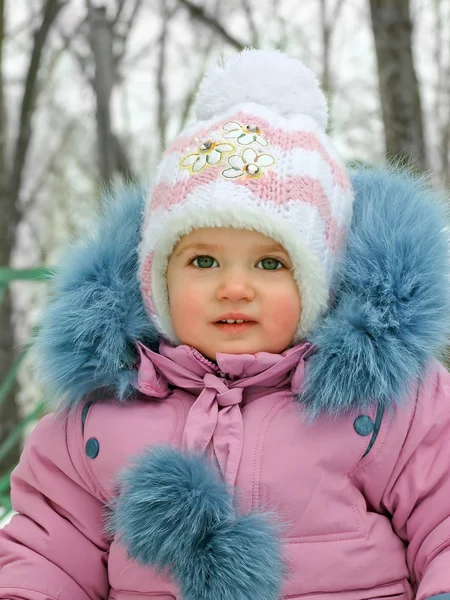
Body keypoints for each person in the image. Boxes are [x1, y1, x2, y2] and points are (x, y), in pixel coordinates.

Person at [0, 48, 450, 600]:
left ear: (321, 285)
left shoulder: (388, 403)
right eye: (203, 261)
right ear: (157, 280)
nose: (233, 287)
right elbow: (49, 551)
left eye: (269, 263)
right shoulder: (102, 412)